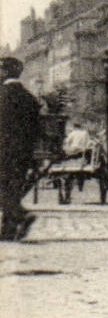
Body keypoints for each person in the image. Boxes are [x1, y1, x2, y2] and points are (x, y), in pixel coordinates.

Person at [1, 56, 42, 242]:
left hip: (3, 150)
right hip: (24, 152)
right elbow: (36, 128)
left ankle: (21, 215)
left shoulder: (2, 95)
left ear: (5, 72)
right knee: (13, 189)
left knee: (4, 189)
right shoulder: (30, 98)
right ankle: (8, 230)